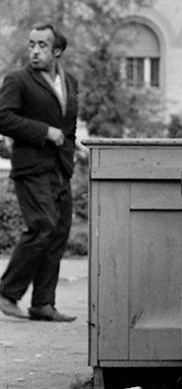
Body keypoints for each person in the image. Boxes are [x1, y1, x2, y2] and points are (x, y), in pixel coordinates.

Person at [0, 24, 79, 322]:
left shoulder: (70, 82)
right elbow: (3, 118)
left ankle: (43, 303)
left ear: (57, 50)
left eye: (42, 45)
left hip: (60, 169)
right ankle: (7, 291)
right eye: (32, 44)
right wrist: (44, 132)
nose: (34, 50)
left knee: (58, 234)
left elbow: (68, 126)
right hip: (31, 168)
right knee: (42, 226)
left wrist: (73, 150)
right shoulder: (18, 80)